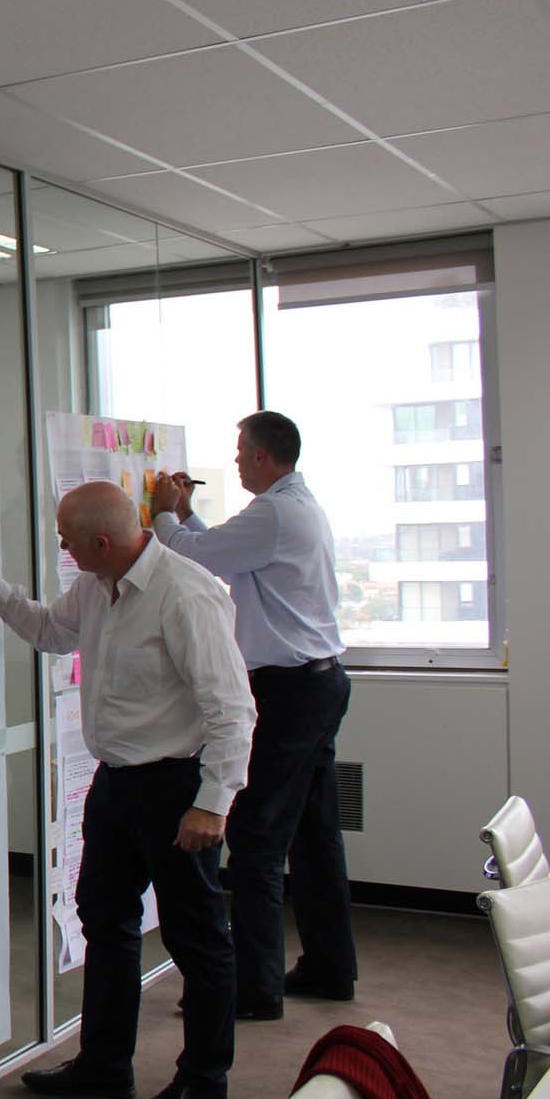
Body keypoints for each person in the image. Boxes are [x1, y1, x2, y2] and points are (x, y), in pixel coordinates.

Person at [0, 482, 255, 1099]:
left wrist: (213, 803)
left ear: (100, 541)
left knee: (198, 937)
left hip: (178, 785)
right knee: (104, 917)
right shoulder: (97, 586)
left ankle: (205, 1080)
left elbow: (233, 708)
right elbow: (49, 631)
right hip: (119, 782)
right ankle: (105, 1062)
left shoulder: (185, 593)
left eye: (66, 537)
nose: (62, 546)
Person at [150, 410, 356, 1017]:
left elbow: (194, 554)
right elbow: (229, 551)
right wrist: (186, 515)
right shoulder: (296, 505)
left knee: (258, 839)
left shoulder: (274, 511)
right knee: (315, 837)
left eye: (242, 452)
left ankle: (255, 988)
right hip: (318, 683)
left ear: (264, 456)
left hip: (291, 691)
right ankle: (329, 967)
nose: (236, 461)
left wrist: (166, 512)